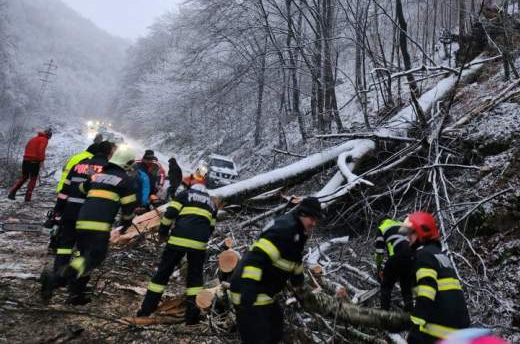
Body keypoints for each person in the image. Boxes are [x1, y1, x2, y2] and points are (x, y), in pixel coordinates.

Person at [47, 144, 137, 305]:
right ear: (128, 163)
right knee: (94, 257)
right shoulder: (125, 180)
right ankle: (60, 275)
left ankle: (76, 295)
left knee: (84, 256)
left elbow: (82, 188)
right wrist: (125, 224)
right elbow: (129, 208)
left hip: (81, 220)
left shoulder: (97, 175)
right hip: (99, 225)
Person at [228, 196, 323, 344]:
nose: (314, 223)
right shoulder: (286, 229)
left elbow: (294, 262)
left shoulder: (296, 231)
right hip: (250, 292)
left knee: (276, 328)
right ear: (303, 214)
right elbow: (256, 259)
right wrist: (248, 295)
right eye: (313, 218)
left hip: (263, 293)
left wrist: (300, 287)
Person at [136, 165, 217, 324]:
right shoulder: (212, 203)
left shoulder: (184, 195)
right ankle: (192, 317)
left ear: (192, 182)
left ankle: (146, 309)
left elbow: (169, 215)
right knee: (195, 279)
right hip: (199, 244)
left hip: (178, 239)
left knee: (163, 274)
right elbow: (211, 227)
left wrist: (163, 233)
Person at [43, 140, 115, 293]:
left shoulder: (79, 165)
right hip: (90, 216)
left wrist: (58, 210)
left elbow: (65, 190)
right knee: (85, 251)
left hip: (70, 212)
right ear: (109, 153)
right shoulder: (108, 169)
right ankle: (76, 287)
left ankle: (56, 277)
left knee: (64, 246)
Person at [400, 212, 470, 343]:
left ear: (422, 232)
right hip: (459, 328)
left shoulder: (423, 255)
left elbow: (427, 291)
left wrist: (415, 326)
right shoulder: (440, 255)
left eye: (411, 233)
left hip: (438, 330)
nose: (408, 238)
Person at [375, 218, 413, 311]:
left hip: (396, 257)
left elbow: (379, 252)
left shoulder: (382, 228)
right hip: (411, 257)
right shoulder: (401, 224)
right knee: (406, 288)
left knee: (386, 287)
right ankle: (409, 314)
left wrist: (379, 268)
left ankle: (384, 315)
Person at [8, 127, 52, 202]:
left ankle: (12, 192)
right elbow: (41, 151)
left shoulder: (33, 139)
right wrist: (42, 160)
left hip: (25, 160)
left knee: (24, 177)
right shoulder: (44, 140)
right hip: (34, 161)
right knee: (33, 179)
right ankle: (28, 198)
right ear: (49, 135)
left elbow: (27, 148)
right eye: (50, 136)